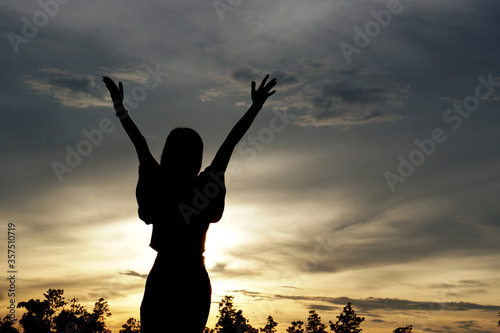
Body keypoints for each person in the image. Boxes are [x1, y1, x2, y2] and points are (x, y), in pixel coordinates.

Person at [102, 74, 277, 333]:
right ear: (197, 157)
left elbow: (138, 141)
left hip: (164, 276)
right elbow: (230, 143)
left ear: (167, 154)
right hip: (193, 279)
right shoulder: (204, 186)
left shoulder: (160, 182)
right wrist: (255, 107)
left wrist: (119, 107)